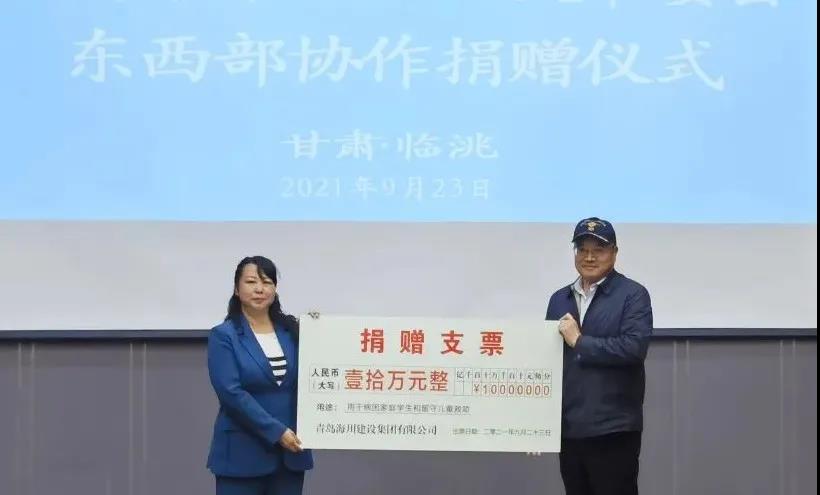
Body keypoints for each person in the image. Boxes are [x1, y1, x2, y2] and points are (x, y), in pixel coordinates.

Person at [546, 217, 653, 495]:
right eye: (582, 249)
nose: (589, 257)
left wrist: (580, 342)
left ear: (614, 252)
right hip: (570, 430)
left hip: (613, 429)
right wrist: (539, 423)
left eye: (599, 250)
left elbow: (633, 349)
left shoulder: (633, 295)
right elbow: (549, 363)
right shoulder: (559, 299)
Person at [206, 256, 313, 495]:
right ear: (236, 289)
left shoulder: (293, 332)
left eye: (267, 282)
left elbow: (318, 374)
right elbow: (231, 394)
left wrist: (319, 327)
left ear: (275, 289)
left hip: (291, 455)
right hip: (241, 455)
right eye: (251, 281)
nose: (259, 289)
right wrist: (277, 432)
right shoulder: (224, 336)